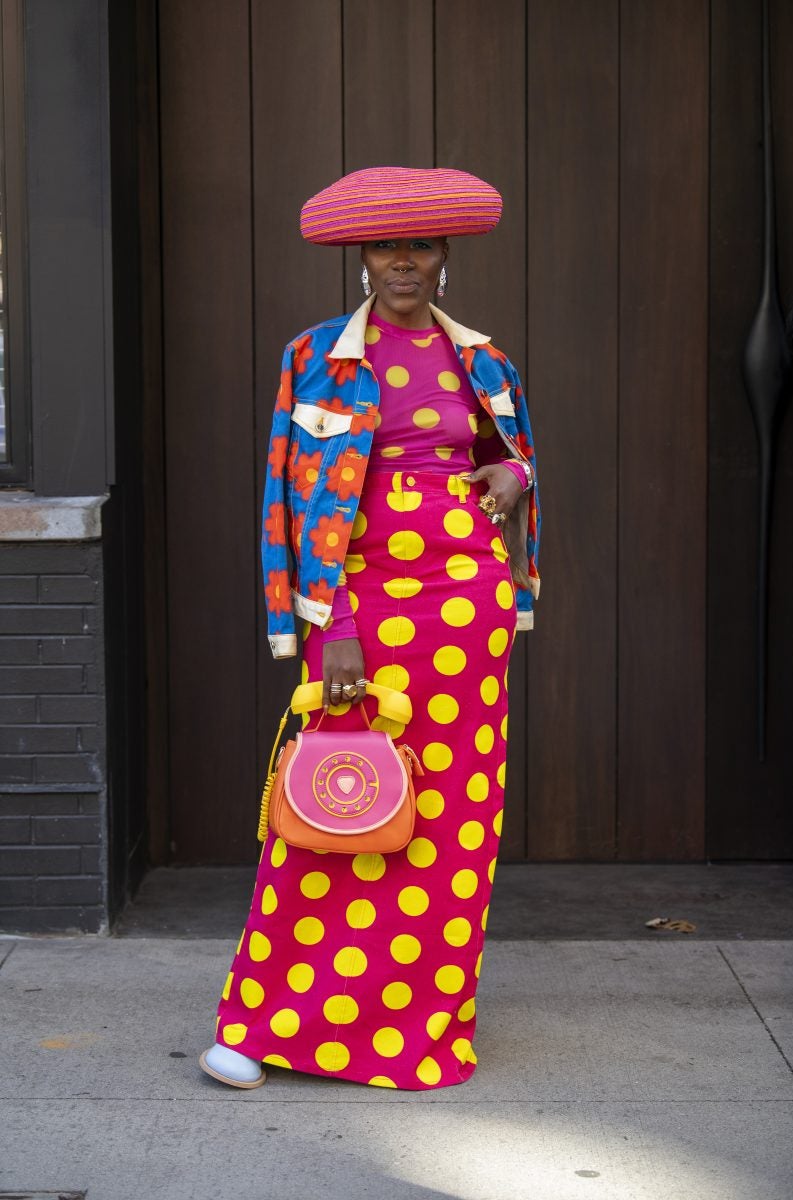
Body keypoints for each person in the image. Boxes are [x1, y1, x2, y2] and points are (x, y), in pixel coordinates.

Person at [199, 166, 541, 1091]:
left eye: (420, 246)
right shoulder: (316, 356)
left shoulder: (487, 360)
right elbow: (292, 493)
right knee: (331, 805)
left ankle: (416, 1030)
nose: (403, 261)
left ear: (444, 257)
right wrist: (332, 624)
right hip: (365, 609)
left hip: (467, 609)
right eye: (386, 247)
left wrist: (515, 478)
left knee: (449, 822)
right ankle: (266, 1024)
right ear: (360, 259)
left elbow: (509, 463)